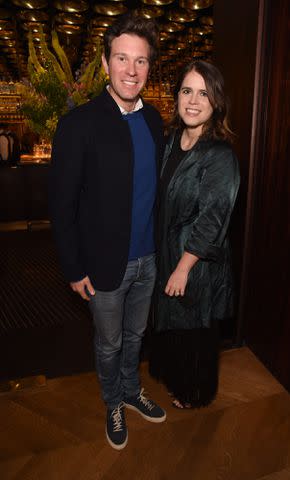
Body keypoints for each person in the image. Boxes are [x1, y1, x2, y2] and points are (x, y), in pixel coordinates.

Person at [49, 12, 166, 451]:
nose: (131, 70)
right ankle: (112, 401)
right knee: (109, 341)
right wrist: (74, 268)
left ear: (149, 67)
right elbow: (62, 206)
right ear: (105, 64)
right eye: (122, 58)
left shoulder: (155, 122)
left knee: (136, 337)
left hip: (148, 259)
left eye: (140, 61)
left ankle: (132, 391)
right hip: (102, 264)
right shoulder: (78, 125)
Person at [149, 60, 240, 409]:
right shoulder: (171, 142)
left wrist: (184, 267)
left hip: (196, 262)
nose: (193, 100)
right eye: (187, 90)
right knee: (173, 327)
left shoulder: (220, 154)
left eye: (204, 93)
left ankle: (195, 393)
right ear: (176, 97)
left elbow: (213, 220)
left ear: (216, 103)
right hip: (167, 252)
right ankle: (177, 381)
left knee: (194, 331)